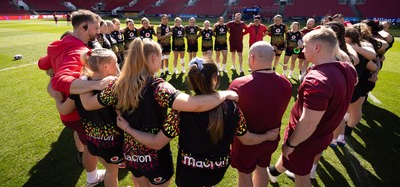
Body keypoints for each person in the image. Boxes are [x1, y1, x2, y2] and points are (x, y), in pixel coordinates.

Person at [81, 39, 238, 187]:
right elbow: (195, 105)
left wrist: (83, 79)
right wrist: (223, 94)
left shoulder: (117, 85)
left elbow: (88, 104)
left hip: (131, 154)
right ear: (154, 58)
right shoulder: (158, 87)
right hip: (155, 157)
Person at [116, 58, 279, 187]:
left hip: (189, 173)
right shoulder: (232, 107)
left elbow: (157, 143)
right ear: (215, 79)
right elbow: (247, 138)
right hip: (217, 170)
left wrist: (128, 128)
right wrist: (267, 136)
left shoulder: (180, 111)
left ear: (192, 82)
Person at [267, 27, 357, 187]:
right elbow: (353, 79)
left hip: (306, 138)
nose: (302, 49)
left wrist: (291, 144)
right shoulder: (347, 68)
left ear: (317, 48)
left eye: (305, 46)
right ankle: (273, 172)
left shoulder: (318, 80)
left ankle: (276, 170)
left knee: (302, 177)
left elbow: (308, 122)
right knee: (291, 159)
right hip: (324, 132)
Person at [38, 9, 115, 186]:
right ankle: (94, 178)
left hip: (67, 113)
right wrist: (96, 84)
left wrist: (52, 69)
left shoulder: (61, 44)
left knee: (87, 145)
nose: (97, 32)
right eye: (95, 28)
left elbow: (42, 64)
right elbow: (60, 79)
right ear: (83, 27)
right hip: (77, 112)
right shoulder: (78, 50)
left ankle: (93, 176)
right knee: (92, 148)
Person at [56, 48, 123, 187]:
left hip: (92, 141)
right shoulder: (112, 88)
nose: (117, 65)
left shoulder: (81, 87)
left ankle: (92, 179)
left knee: (109, 169)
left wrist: (58, 99)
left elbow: (64, 109)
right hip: (111, 142)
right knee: (111, 172)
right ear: (105, 66)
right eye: (115, 62)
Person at [229, 41, 292, 187]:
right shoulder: (286, 83)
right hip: (271, 138)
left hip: (246, 140)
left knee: (244, 174)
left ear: (251, 58)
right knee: (262, 168)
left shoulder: (239, 85)